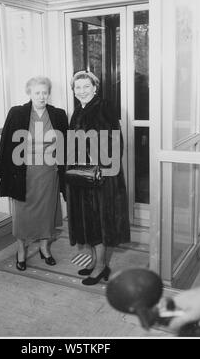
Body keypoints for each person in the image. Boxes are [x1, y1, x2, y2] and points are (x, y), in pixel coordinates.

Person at [0, 76, 68, 271]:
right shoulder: (17, 113)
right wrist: (0, 170)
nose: (41, 97)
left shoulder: (59, 114)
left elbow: (65, 145)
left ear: (49, 93)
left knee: (46, 213)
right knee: (22, 215)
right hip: (23, 173)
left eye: (44, 92)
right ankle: (21, 251)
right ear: (29, 93)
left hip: (49, 173)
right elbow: (6, 143)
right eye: (37, 93)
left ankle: (44, 248)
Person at [66, 71, 130, 285]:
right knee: (88, 221)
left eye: (86, 86)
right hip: (81, 176)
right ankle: (95, 261)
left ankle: (101, 266)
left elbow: (114, 138)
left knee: (98, 221)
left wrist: (101, 165)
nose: (82, 91)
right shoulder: (78, 111)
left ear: (95, 88)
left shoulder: (103, 106)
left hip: (100, 176)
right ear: (73, 91)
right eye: (78, 87)